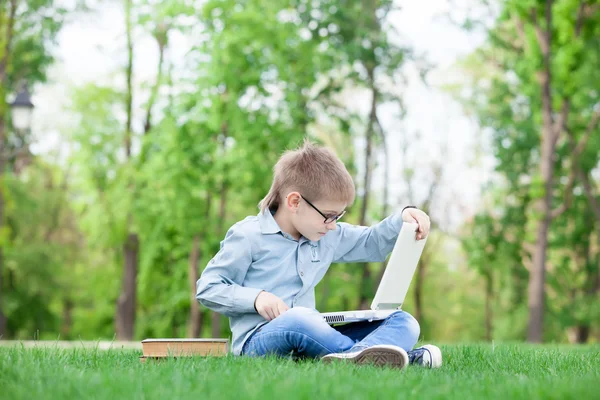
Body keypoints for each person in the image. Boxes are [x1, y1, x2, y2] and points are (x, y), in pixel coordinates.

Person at [196, 139, 442, 369]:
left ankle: (357, 357)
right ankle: (396, 358)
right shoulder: (248, 235)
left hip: (313, 335)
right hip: (258, 341)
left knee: (403, 321)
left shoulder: (326, 235)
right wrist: (256, 298)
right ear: (294, 202)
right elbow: (208, 288)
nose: (333, 224)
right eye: (329, 215)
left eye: (339, 216)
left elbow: (372, 243)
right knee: (300, 319)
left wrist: (403, 219)